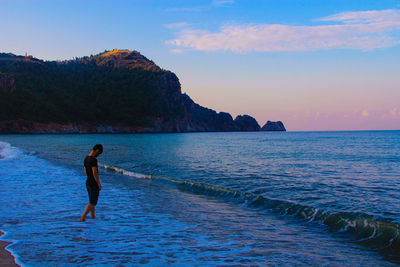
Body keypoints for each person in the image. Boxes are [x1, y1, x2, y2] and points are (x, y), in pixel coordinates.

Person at [78, 144, 103, 222]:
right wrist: (99, 184)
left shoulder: (86, 159)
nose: (98, 155)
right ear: (97, 150)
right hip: (93, 183)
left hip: (88, 182)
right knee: (93, 202)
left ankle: (93, 216)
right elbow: (95, 173)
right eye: (99, 154)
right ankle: (83, 217)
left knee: (91, 200)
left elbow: (85, 172)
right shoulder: (93, 160)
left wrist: (89, 176)